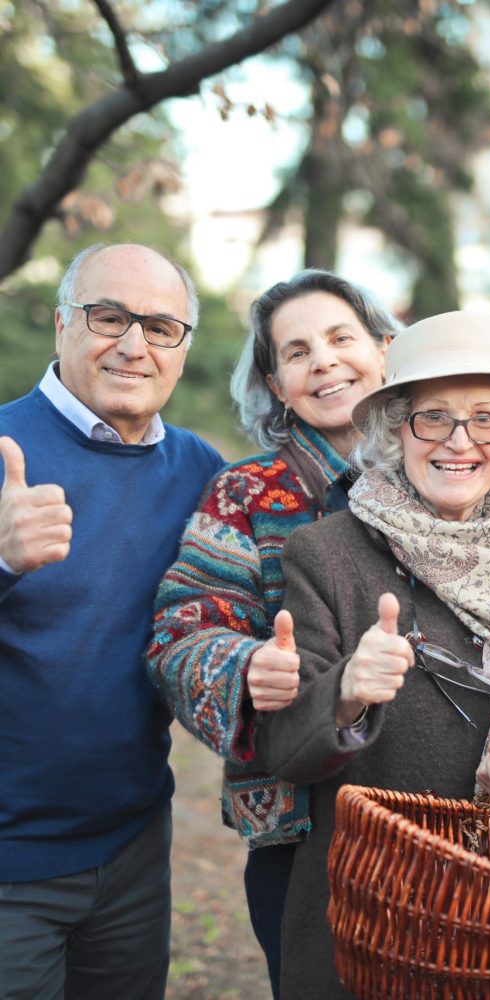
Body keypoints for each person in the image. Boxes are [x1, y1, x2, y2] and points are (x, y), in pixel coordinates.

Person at [254, 311, 490, 999]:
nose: (460, 443)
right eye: (433, 418)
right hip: (367, 923)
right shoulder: (328, 553)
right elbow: (284, 749)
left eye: (484, 419)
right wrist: (346, 691)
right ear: (397, 429)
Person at [145, 269, 395, 997]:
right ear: (278, 386)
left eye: (342, 338)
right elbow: (182, 630)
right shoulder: (246, 492)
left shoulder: (446, 462)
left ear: (383, 350)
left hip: (443, 813)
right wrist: (245, 668)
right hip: (302, 823)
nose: (324, 361)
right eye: (296, 352)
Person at [0, 243, 224, 999]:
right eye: (109, 317)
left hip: (132, 844)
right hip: (9, 859)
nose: (134, 345)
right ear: (63, 323)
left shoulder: (200, 471)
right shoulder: (3, 452)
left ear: (183, 350)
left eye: (161, 327)